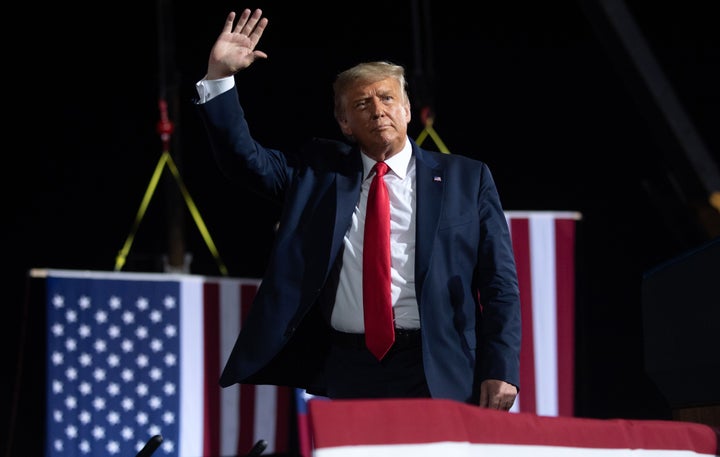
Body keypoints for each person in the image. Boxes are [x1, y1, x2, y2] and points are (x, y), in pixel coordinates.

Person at [194, 7, 521, 410]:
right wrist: (219, 77)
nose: (378, 109)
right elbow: (243, 160)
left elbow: (499, 283)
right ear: (345, 122)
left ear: (405, 110)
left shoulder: (467, 179)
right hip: (351, 366)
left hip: (439, 365)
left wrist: (501, 367)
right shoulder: (318, 172)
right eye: (362, 103)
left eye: (387, 98)